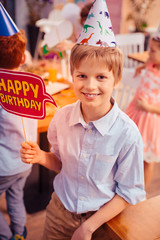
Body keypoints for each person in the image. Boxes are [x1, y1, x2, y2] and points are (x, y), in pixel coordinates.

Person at [20, 0, 145, 239]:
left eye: (101, 77)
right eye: (82, 75)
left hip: (102, 220)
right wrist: (41, 157)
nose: (90, 86)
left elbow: (129, 192)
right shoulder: (61, 118)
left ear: (116, 79)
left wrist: (88, 227)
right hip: (59, 213)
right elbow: (61, 164)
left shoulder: (127, 133)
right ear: (72, 75)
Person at [0, 3, 37, 240]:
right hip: (25, 161)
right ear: (23, 57)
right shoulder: (30, 83)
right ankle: (18, 234)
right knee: (16, 196)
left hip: (3, 164)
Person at [125, 26, 160, 189]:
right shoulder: (151, 64)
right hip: (136, 112)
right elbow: (147, 63)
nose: (148, 54)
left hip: (150, 119)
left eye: (152, 51)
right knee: (130, 149)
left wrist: (148, 107)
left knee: (147, 159)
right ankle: (128, 183)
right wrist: (141, 67)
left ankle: (143, 191)